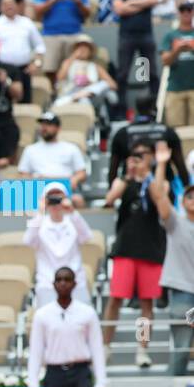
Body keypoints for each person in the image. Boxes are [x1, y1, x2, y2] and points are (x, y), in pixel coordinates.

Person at [102, 140, 172, 369]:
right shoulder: (124, 181)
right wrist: (128, 175)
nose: (138, 159)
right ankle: (105, 346)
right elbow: (110, 199)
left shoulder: (159, 182)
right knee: (115, 300)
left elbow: (162, 207)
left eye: (142, 155)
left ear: (151, 158)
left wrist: (155, 171)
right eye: (135, 155)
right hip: (125, 249)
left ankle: (142, 349)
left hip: (150, 250)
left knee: (146, 305)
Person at [25, 186, 92, 307]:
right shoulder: (39, 223)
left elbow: (87, 236)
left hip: (75, 282)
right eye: (51, 198)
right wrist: (40, 212)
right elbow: (28, 240)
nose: (55, 202)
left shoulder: (73, 220)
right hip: (47, 283)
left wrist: (72, 211)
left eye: (59, 197)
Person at [113, 0, 160, 109]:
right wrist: (143, 3)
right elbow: (119, 9)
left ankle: (152, 107)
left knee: (149, 73)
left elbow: (152, 0)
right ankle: (122, 109)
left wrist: (130, 3)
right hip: (127, 37)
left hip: (145, 36)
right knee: (123, 74)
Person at [162, 184, 194, 375]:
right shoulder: (175, 222)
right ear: (182, 202)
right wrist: (162, 164)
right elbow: (160, 199)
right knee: (181, 348)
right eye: (189, 196)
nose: (193, 200)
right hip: (182, 291)